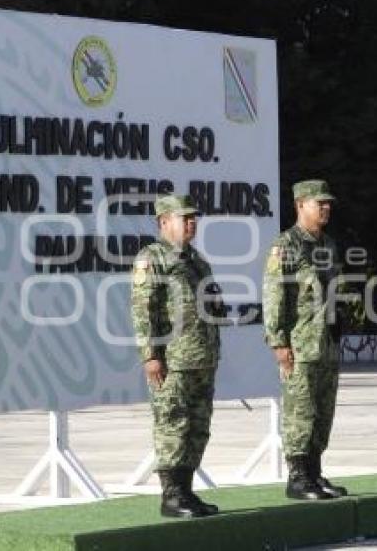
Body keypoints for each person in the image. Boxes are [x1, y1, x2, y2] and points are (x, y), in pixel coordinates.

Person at [131, 194, 224, 518]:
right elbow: (144, 310)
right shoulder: (152, 258)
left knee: (198, 427)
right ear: (163, 222)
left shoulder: (197, 261)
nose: (192, 223)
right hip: (173, 360)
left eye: (193, 218)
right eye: (184, 218)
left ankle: (186, 492)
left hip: (201, 357)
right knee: (173, 425)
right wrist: (150, 355)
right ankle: (171, 496)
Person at [262, 179, 348, 500]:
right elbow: (274, 296)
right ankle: (298, 477)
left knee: (323, 410)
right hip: (299, 343)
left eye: (328, 203)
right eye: (319, 203)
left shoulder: (329, 245)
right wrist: (279, 342)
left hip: (325, 342)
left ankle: (314, 472)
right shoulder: (286, 246)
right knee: (301, 410)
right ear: (300, 205)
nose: (326, 208)